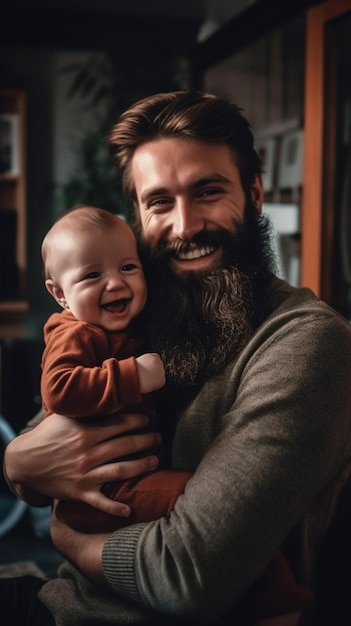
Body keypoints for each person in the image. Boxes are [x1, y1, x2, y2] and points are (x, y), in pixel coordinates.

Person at [3, 90, 351, 626]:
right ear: (139, 216)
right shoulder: (138, 307)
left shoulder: (305, 342)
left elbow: (188, 576)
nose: (185, 226)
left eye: (208, 191)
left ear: (254, 194)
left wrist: (68, 536)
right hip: (60, 603)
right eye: (159, 202)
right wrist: (17, 464)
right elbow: (40, 442)